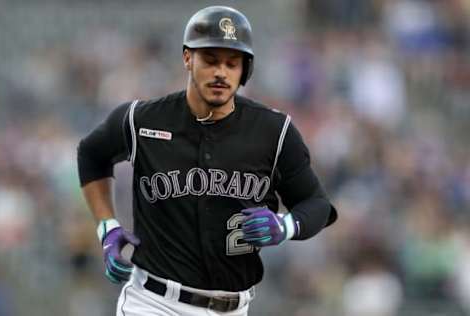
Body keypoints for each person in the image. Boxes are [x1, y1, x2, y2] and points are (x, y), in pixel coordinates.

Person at [77, 5, 337, 316]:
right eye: (210, 60)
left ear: (245, 70)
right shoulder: (142, 119)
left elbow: (318, 205)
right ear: (188, 58)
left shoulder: (273, 131)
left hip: (233, 307)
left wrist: (286, 225)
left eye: (232, 63)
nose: (220, 72)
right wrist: (107, 226)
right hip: (153, 302)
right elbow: (91, 154)